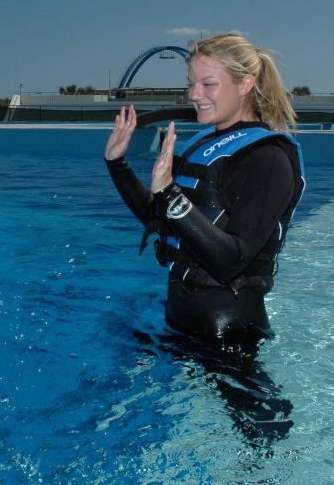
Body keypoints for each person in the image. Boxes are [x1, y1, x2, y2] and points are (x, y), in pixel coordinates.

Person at [104, 33, 305, 346]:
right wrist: (118, 165)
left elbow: (230, 260)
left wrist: (169, 194)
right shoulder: (201, 145)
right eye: (190, 83)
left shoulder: (267, 158)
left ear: (246, 84)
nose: (194, 94)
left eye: (208, 84)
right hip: (179, 321)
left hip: (228, 334)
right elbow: (160, 222)